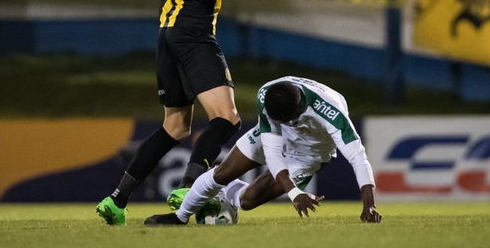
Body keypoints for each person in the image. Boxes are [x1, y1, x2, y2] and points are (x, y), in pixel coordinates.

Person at [61, 0, 271, 226]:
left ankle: (117, 201)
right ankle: (189, 188)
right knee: (228, 119)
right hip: (192, 32)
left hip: (167, 33)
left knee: (174, 127)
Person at [144, 76, 382, 225]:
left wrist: (369, 204)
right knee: (221, 174)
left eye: (290, 120)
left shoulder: (331, 113)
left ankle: (226, 197)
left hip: (310, 154)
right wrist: (294, 193)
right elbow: (273, 154)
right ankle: (180, 217)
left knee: (248, 201)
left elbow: (357, 156)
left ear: (301, 107)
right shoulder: (267, 96)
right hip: (273, 138)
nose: (289, 125)